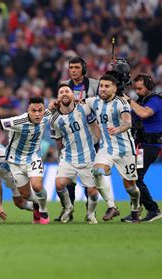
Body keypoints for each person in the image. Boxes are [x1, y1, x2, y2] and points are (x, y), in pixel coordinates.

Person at [85, 74, 141, 223]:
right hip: (106, 148)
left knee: (131, 187)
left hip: (125, 150)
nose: (102, 89)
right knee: (97, 171)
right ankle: (112, 206)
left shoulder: (121, 103)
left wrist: (118, 129)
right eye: (101, 86)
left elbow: (128, 123)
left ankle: (135, 209)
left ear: (115, 88)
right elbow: (78, 102)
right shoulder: (94, 101)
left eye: (107, 86)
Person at [56, 56, 101, 222]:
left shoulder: (95, 84)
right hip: (71, 137)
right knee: (68, 181)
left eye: (76, 67)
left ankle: (91, 212)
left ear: (83, 68)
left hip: (91, 135)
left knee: (91, 182)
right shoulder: (64, 85)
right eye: (71, 67)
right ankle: (68, 209)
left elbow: (102, 101)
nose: (73, 70)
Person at [122, 74, 162, 222]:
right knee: (134, 177)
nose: (137, 91)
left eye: (140, 88)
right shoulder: (142, 101)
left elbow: (145, 113)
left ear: (149, 87)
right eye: (136, 88)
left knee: (136, 177)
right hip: (141, 146)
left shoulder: (156, 100)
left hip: (151, 145)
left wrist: (129, 100)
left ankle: (153, 210)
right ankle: (136, 212)